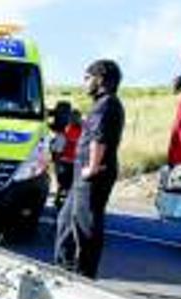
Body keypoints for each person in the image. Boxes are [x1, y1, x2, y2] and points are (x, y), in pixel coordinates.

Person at [54, 60, 125, 279]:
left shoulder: (106, 104)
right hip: (83, 172)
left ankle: (84, 274)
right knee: (66, 219)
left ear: (100, 78)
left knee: (86, 222)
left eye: (87, 77)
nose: (84, 82)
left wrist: (92, 168)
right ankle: (63, 267)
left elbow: (99, 138)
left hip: (93, 173)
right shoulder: (103, 104)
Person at [50, 105, 83, 210]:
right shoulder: (65, 131)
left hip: (75, 162)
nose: (74, 119)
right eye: (73, 117)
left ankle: (63, 200)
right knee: (64, 183)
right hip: (65, 161)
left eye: (76, 117)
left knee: (68, 184)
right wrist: (57, 164)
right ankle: (60, 199)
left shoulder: (82, 130)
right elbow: (57, 150)